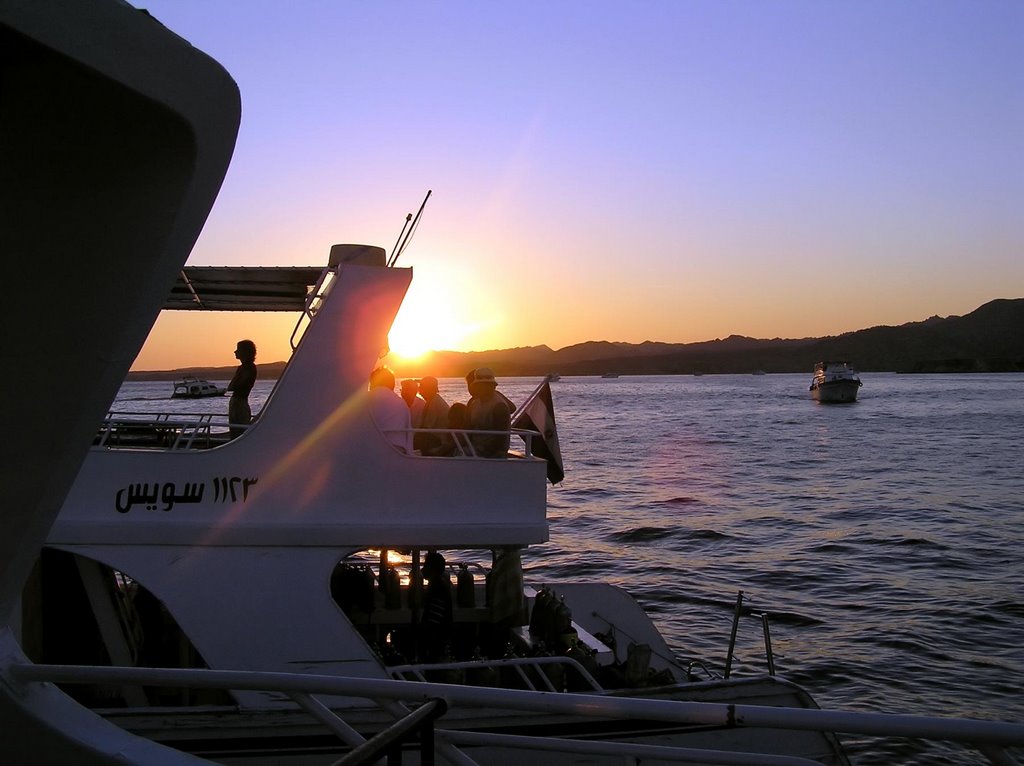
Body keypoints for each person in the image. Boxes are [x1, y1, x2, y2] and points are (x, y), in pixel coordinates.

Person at [466, 367, 511, 458]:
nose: (483, 387)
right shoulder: (474, 404)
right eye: (481, 385)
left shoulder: (499, 406)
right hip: (475, 448)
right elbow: (469, 429)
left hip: (492, 453)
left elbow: (500, 438)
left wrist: (486, 454)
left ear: (493, 386)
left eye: (487, 385)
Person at [368, 367, 412, 453]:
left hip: (371, 448)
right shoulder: (400, 402)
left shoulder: (365, 399)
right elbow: (408, 431)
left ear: (372, 382)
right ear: (392, 383)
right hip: (398, 448)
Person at [419, 550, 453, 662]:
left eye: (425, 566)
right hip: (438, 638)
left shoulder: (437, 589)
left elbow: (434, 622)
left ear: (433, 569)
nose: (422, 569)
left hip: (436, 640)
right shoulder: (437, 585)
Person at [227, 339, 257, 439]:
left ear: (245, 352)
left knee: (239, 431)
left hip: (239, 402)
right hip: (238, 401)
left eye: (238, 349)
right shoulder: (244, 367)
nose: (235, 352)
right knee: (236, 430)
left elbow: (234, 386)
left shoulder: (248, 367)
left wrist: (234, 385)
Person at [415, 376, 450, 455]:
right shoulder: (433, 400)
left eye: (421, 387)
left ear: (428, 388)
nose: (419, 390)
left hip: (439, 440)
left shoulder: (435, 403)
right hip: (437, 438)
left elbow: (427, 428)